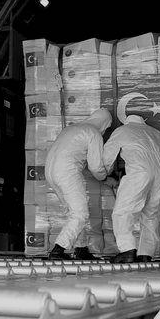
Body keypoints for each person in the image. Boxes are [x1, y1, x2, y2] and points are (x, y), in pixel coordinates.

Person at [102, 114, 160, 263]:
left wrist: (105, 174)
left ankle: (127, 250)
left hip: (140, 171)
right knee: (151, 213)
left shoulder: (123, 130)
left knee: (123, 211)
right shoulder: (156, 133)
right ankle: (146, 254)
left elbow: (108, 155)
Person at [46, 109, 113, 260]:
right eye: (107, 127)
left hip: (50, 170)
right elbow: (96, 167)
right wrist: (105, 178)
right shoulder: (93, 133)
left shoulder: (70, 128)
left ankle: (81, 248)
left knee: (73, 211)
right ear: (104, 123)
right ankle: (58, 249)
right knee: (80, 213)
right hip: (67, 171)